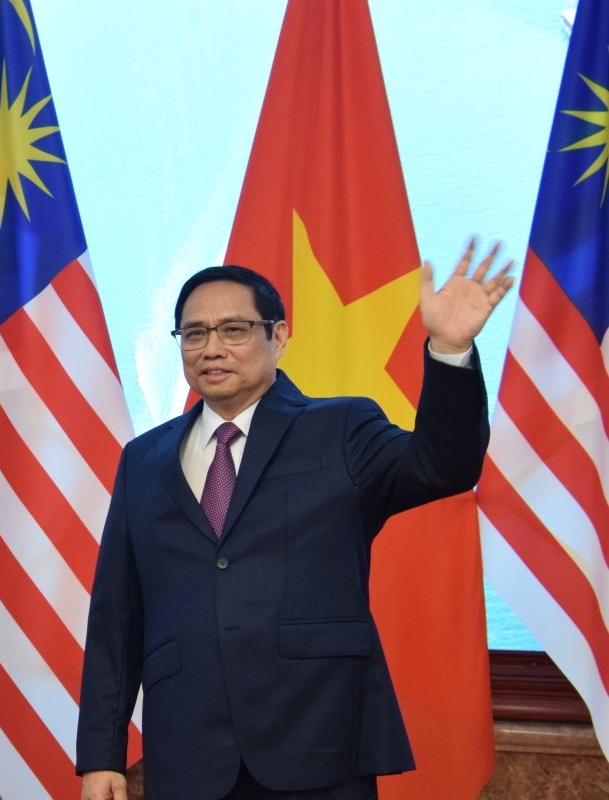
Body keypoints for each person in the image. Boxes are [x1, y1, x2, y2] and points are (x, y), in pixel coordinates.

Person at [76, 244, 514, 800]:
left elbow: (441, 467)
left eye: (233, 330)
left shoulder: (342, 428)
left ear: (278, 336)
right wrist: (100, 755)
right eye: (194, 333)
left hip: (318, 741)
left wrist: (450, 350)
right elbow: (117, 616)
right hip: (188, 754)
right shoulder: (143, 461)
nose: (212, 348)